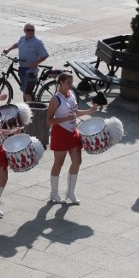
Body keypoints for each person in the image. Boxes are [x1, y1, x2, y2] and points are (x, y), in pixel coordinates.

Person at [47, 72, 98, 204]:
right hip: (60, 133)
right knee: (59, 163)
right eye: (68, 82)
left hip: (73, 132)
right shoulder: (55, 99)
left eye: (71, 82)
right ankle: (54, 192)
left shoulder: (72, 95)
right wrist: (66, 118)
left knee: (77, 161)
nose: (71, 85)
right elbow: (49, 120)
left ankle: (70, 192)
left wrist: (89, 111)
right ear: (61, 82)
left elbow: (75, 112)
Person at [3, 23, 49, 101]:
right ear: (24, 31)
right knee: (25, 92)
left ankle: (31, 110)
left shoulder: (38, 42)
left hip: (31, 72)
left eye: (32, 30)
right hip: (22, 70)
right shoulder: (22, 39)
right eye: (28, 30)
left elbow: (45, 55)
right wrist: (8, 50)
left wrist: (35, 63)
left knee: (27, 93)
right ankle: (26, 106)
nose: (31, 32)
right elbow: (17, 44)